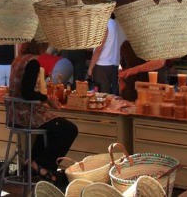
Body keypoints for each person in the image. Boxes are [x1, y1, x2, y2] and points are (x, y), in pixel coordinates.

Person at [8, 41, 78, 184]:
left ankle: (32, 162)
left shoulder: (18, 59)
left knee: (50, 127)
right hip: (27, 115)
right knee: (70, 129)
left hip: (16, 114)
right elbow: (27, 93)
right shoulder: (32, 62)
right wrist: (46, 99)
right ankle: (42, 165)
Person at [87, 15, 126, 94]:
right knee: (111, 95)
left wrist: (90, 68)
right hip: (113, 63)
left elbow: (98, 49)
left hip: (102, 65)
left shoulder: (104, 25)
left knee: (101, 96)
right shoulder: (113, 23)